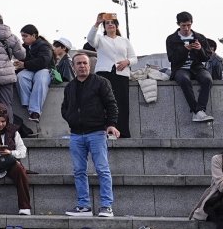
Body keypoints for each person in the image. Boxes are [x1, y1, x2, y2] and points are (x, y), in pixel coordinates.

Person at [61, 53, 120, 218]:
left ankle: (106, 206)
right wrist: (71, 119)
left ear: (90, 65)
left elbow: (111, 104)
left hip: (97, 133)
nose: (82, 66)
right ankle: (83, 206)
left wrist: (111, 124)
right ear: (73, 66)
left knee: (102, 169)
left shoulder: (101, 82)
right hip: (76, 134)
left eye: (85, 63)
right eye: (78, 63)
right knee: (79, 171)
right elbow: (65, 108)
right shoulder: (70, 87)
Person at [86, 13, 138, 138]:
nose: (110, 25)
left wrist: (127, 62)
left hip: (121, 74)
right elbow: (90, 39)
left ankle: (122, 132)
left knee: (121, 103)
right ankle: (105, 130)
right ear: (104, 27)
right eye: (107, 23)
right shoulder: (100, 39)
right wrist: (97, 23)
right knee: (104, 102)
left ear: (116, 25)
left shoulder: (124, 41)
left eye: (112, 23)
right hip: (104, 74)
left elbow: (134, 58)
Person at [165, 11, 215, 122]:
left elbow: (206, 57)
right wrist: (184, 49)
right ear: (178, 24)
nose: (186, 28)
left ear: (192, 23)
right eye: (183, 26)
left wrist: (200, 49)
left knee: (207, 79)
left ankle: (199, 110)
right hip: (180, 68)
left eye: (189, 25)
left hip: (197, 67)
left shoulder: (200, 37)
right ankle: (197, 111)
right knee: (184, 80)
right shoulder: (171, 39)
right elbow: (171, 59)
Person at [14, 24, 52, 123]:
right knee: (21, 77)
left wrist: (24, 64)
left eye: (25, 36)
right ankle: (30, 106)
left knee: (40, 79)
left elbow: (43, 61)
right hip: (30, 69)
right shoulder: (24, 47)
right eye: (22, 36)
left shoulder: (44, 46)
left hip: (44, 69)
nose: (23, 38)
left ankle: (35, 111)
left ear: (34, 35)